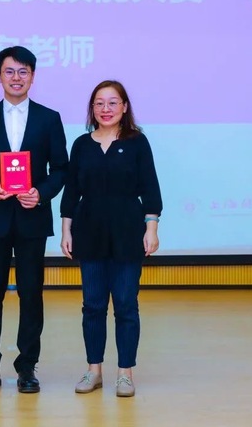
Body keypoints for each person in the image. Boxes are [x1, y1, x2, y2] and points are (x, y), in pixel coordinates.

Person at [0, 46, 69, 394]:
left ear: (33, 76)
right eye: (10, 71)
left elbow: (61, 168)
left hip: (32, 218)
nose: (16, 78)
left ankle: (27, 367)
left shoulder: (49, 118)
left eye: (23, 71)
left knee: (31, 294)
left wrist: (41, 192)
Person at [59, 80, 162, 397]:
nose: (106, 109)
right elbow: (71, 191)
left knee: (126, 305)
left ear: (124, 107)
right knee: (92, 305)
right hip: (88, 233)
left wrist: (151, 228)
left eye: (113, 102)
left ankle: (125, 374)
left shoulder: (137, 142)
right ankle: (94, 371)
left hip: (128, 233)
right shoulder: (81, 144)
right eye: (99, 103)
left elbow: (150, 187)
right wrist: (66, 230)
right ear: (92, 109)